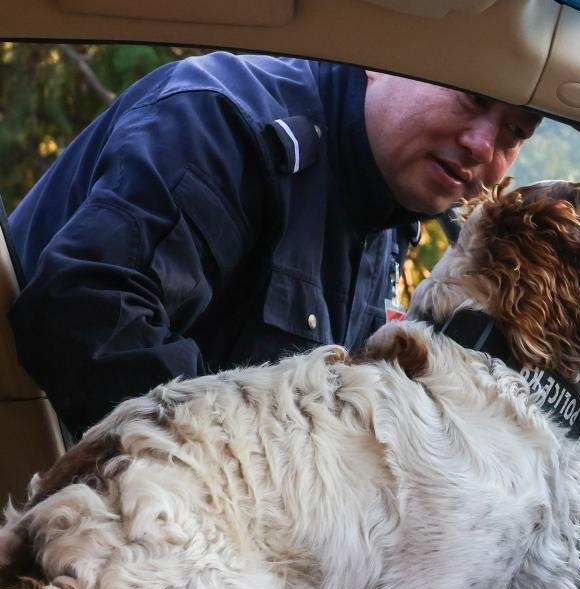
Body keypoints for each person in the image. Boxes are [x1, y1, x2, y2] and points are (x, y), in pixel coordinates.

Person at [7, 52, 541, 436]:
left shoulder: (389, 210)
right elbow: (86, 314)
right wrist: (256, 486)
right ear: (383, 57)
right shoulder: (221, 125)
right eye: (472, 97)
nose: (482, 145)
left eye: (515, 131)